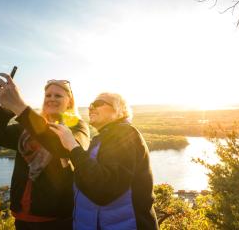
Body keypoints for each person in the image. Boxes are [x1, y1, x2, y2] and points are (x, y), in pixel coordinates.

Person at [0, 73, 89, 230]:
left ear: (69, 101)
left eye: (58, 95)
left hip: (57, 218)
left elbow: (63, 148)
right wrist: (6, 109)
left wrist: (19, 106)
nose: (51, 98)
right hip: (22, 215)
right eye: (48, 95)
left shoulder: (77, 127)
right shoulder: (27, 128)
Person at [50, 92, 159, 230]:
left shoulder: (126, 135)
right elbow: (87, 182)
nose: (90, 108)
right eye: (90, 105)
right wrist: (67, 166)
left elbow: (104, 190)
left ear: (119, 111)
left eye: (98, 104)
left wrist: (73, 146)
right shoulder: (99, 140)